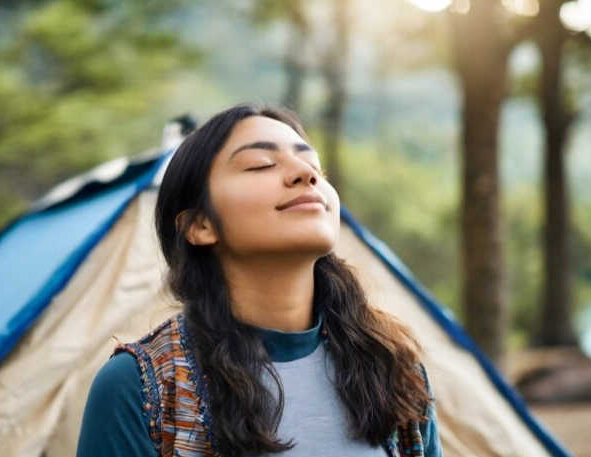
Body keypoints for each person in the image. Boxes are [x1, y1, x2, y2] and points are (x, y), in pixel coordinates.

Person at [76, 104, 443, 457]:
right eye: (261, 164)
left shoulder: (393, 369)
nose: (306, 175)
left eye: (315, 166)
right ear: (200, 225)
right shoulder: (140, 388)